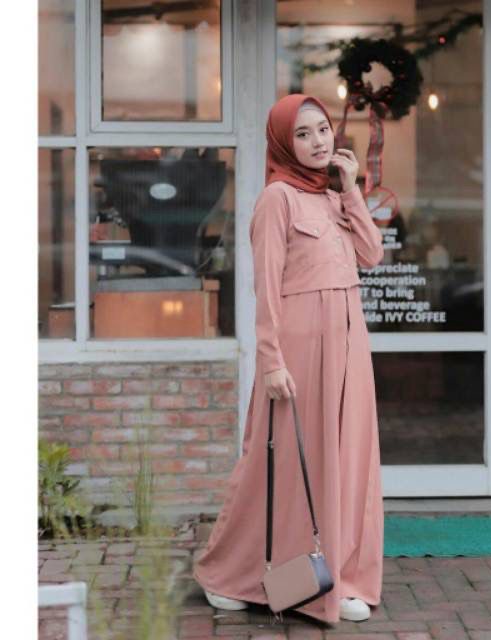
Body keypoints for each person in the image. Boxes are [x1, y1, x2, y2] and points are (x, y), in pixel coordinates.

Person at [192, 93, 385, 625]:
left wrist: (352, 191)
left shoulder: (332, 195)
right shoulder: (277, 199)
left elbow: (372, 255)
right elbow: (266, 288)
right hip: (299, 353)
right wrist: (271, 360)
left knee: (348, 461)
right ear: (282, 142)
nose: (318, 141)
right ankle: (229, 574)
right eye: (302, 134)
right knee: (280, 466)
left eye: (322, 129)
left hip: (349, 349)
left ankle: (337, 577)